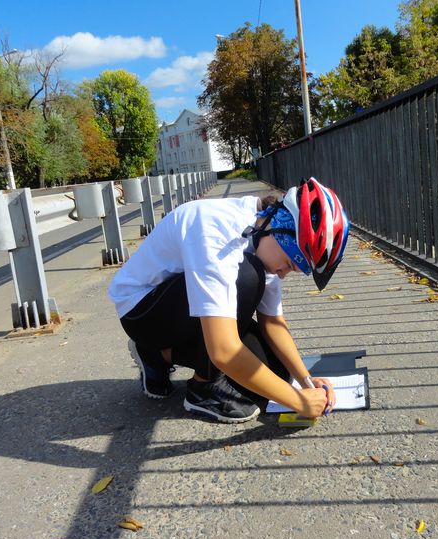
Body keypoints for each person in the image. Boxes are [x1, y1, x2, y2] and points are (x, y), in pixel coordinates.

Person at [108, 177, 350, 423]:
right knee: (247, 276)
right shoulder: (217, 230)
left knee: (276, 370)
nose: (283, 274)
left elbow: (273, 323)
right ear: (278, 228)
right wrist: (299, 402)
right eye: (289, 264)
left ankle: (160, 356)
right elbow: (224, 350)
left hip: (186, 304)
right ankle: (202, 389)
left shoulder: (265, 236)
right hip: (143, 311)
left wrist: (306, 381)